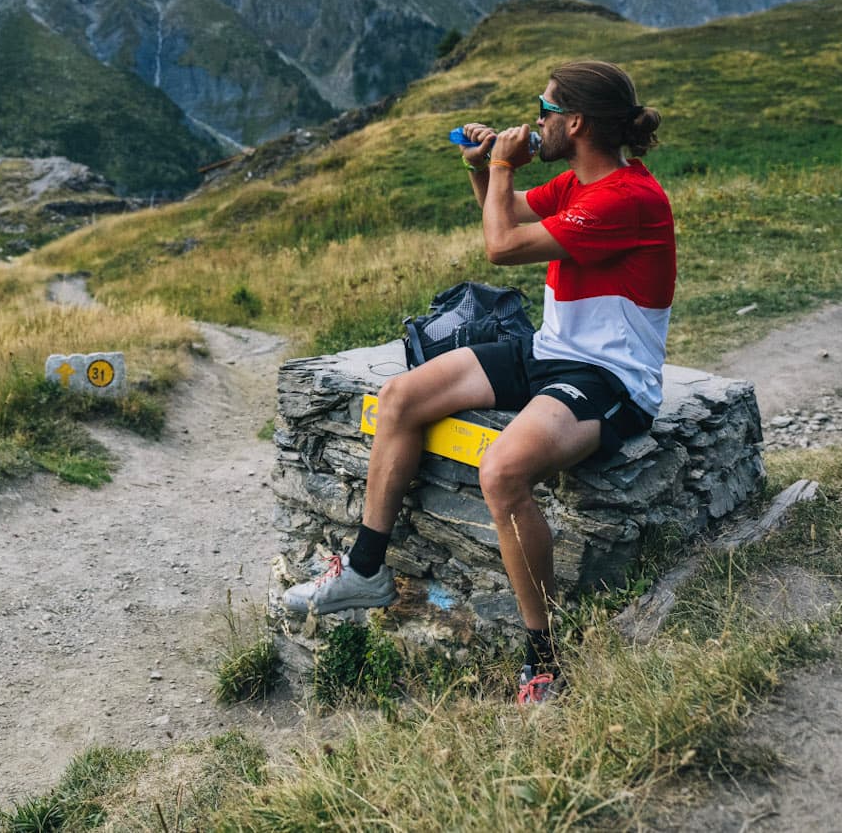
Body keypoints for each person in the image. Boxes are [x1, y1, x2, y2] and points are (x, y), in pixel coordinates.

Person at [282, 59, 675, 704]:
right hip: (553, 349)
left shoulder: (625, 199)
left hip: (612, 377)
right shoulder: (579, 183)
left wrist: (500, 165)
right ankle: (364, 570)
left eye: (543, 108)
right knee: (401, 397)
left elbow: (501, 247)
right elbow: (509, 217)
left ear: (575, 123)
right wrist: (481, 167)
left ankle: (544, 657)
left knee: (502, 473)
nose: (535, 119)